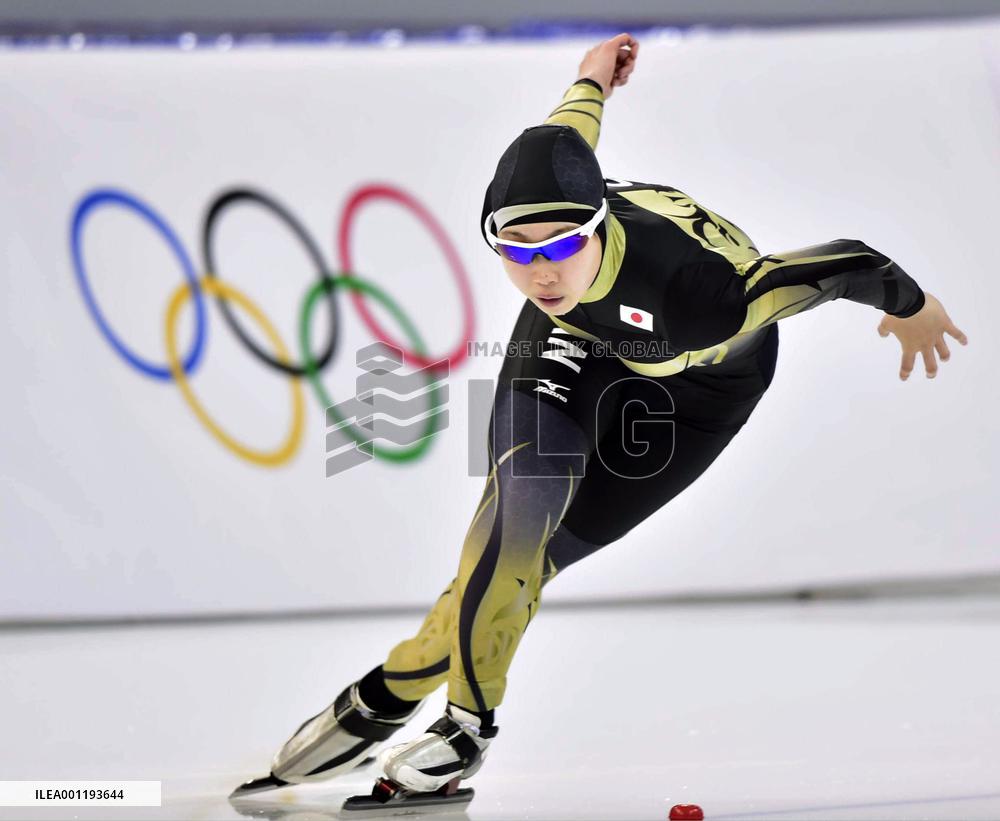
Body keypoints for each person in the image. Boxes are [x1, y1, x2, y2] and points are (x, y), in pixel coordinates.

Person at [263, 32, 968, 795]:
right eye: (513, 246)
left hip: (698, 385)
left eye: (561, 242)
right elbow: (571, 127)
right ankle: (465, 728)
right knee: (510, 532)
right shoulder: (552, 241)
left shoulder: (704, 299)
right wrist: (594, 74)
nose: (539, 269)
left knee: (538, 562)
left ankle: (393, 688)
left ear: (597, 224)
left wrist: (913, 304)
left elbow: (845, 263)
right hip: (574, 345)